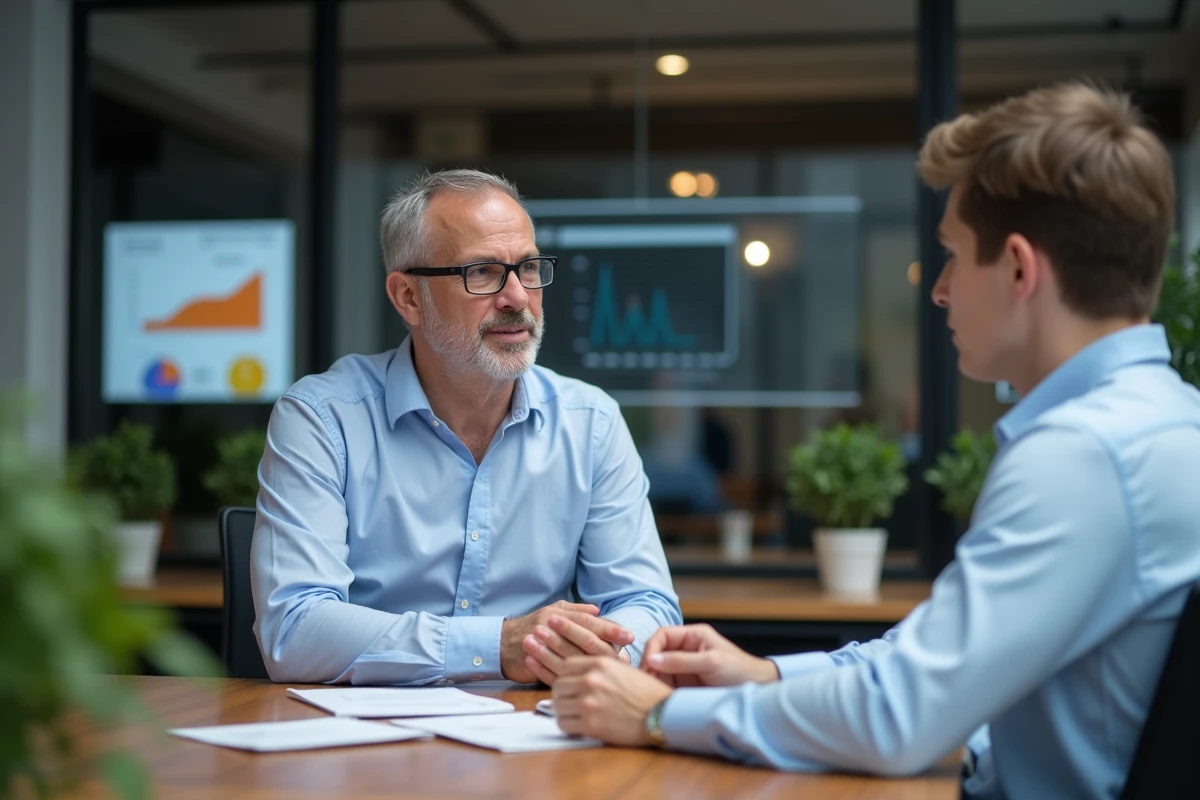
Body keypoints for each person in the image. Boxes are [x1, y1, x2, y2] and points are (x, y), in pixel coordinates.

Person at [543, 83, 1200, 798]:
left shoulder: (1083, 457)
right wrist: (765, 674)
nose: (941, 289)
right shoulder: (1160, 420)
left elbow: (899, 716)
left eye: (952, 254)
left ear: (1018, 268)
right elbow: (931, 661)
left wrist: (664, 714)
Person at [251, 169, 682, 687]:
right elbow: (294, 629)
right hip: (370, 743)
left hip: (535, 735)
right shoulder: (323, 419)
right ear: (408, 297)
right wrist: (496, 646)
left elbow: (646, 603)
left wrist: (601, 652)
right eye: (482, 273)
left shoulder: (589, 422)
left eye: (527, 268)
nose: (518, 298)